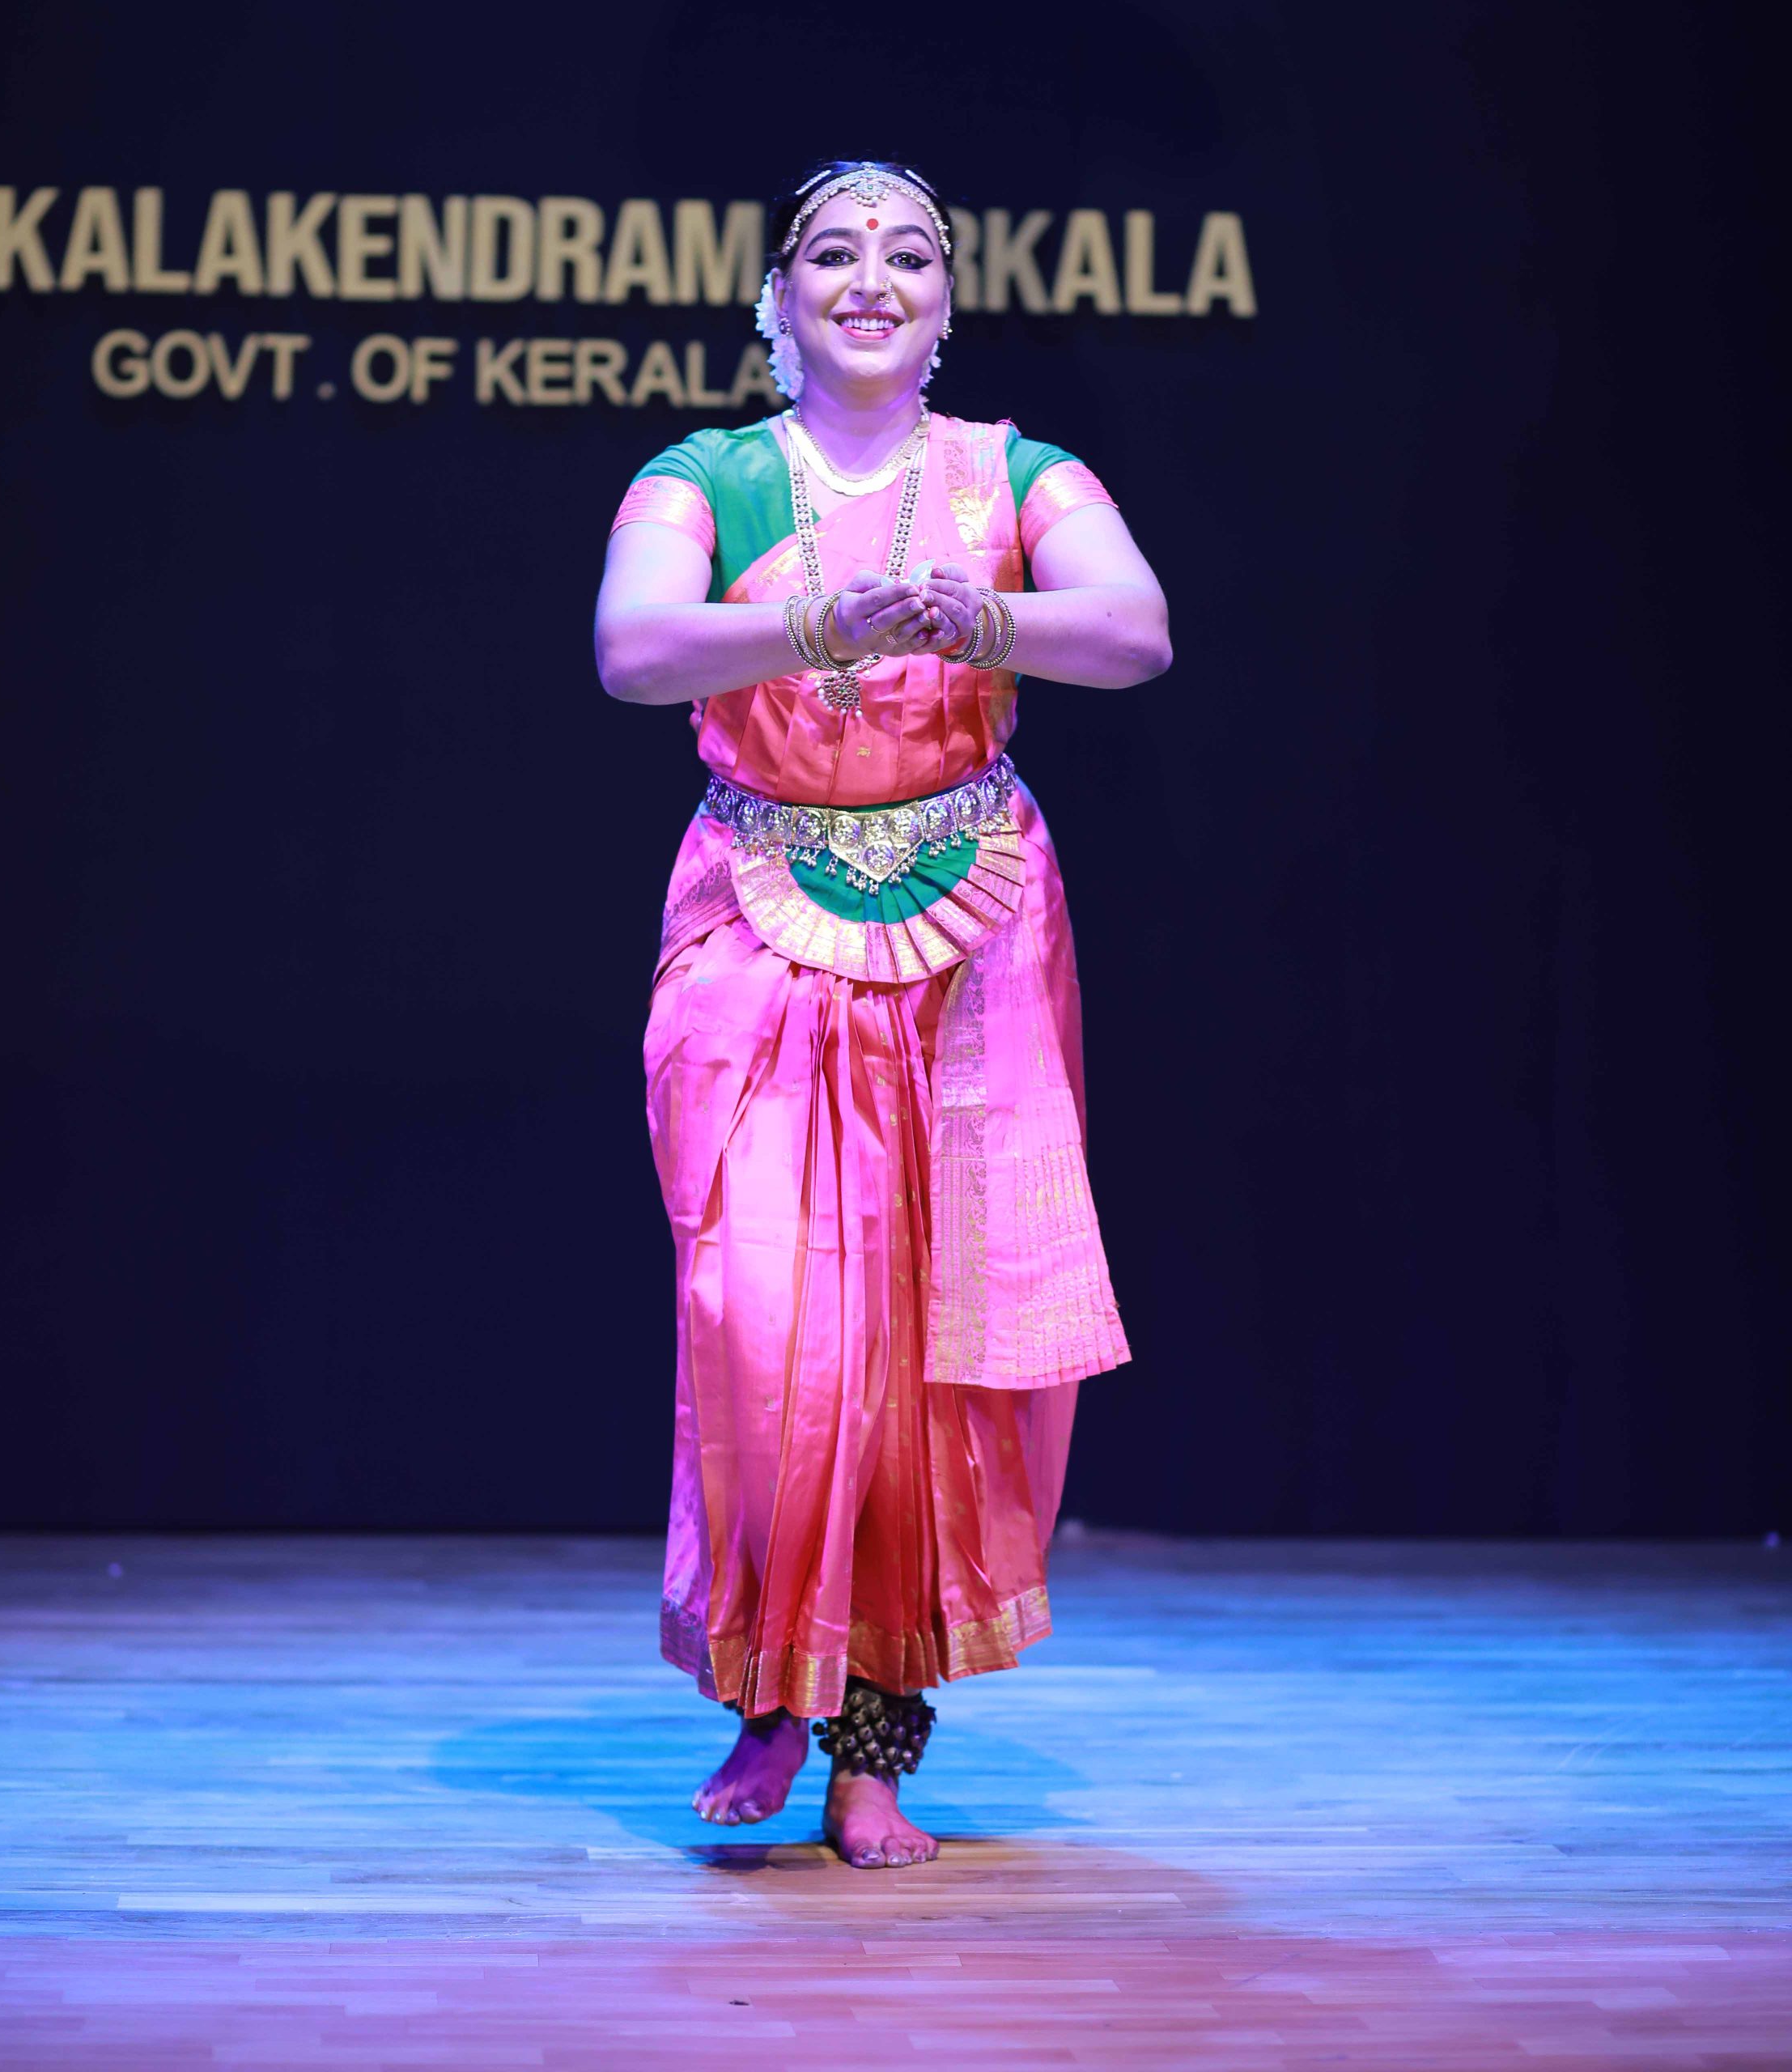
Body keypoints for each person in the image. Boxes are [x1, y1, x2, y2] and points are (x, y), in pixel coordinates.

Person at [594, 160, 1170, 1870]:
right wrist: (811, 622)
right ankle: (770, 1678)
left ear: (945, 301)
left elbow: (1135, 631)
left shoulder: (1021, 473)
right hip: (753, 924)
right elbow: (633, 648)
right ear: (775, 298)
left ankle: (871, 1750)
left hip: (973, 932)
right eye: (833, 253)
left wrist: (985, 615)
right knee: (768, 1319)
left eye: (907, 254)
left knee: (944, 1347)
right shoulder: (703, 475)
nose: (870, 277)